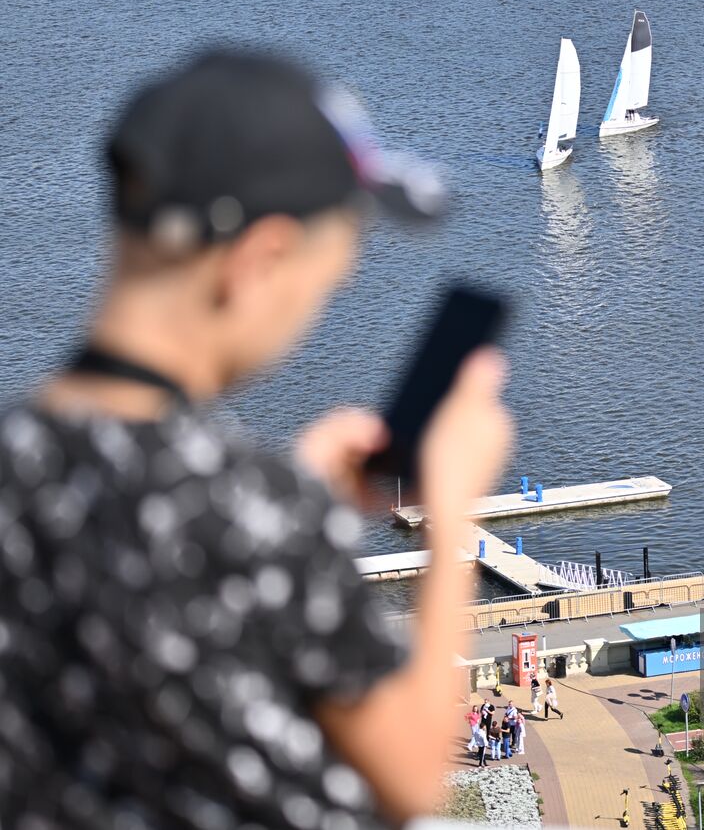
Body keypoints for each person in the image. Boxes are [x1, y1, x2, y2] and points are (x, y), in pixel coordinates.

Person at [0, 50, 513, 827]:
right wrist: (455, 522)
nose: (325, 301)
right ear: (258, 259)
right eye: (329, 276)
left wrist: (297, 497)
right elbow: (409, 772)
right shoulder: (246, 512)